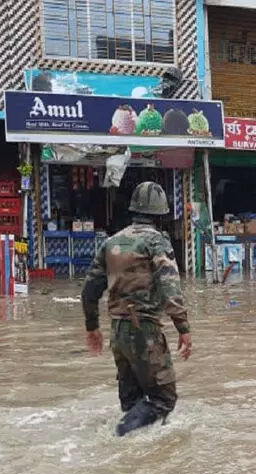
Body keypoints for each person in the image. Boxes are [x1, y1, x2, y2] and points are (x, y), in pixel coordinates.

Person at [81, 181, 193, 436]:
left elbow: (89, 291)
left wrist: (92, 328)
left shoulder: (111, 242)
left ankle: (143, 463)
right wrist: (183, 329)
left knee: (134, 401)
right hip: (144, 330)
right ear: (160, 213)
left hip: (118, 333)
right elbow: (169, 288)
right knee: (163, 398)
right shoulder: (156, 242)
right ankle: (119, 435)